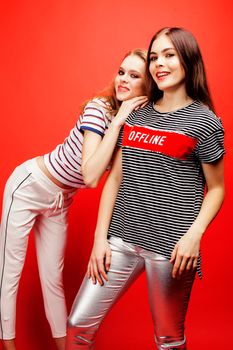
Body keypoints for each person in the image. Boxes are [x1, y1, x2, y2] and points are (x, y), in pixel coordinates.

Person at [66, 27, 225, 350]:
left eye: (169, 55)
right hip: (122, 239)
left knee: (168, 339)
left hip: (171, 248)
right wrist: (101, 239)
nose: (159, 64)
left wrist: (194, 236)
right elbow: (115, 178)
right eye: (154, 57)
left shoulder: (205, 122)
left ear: (188, 60)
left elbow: (218, 188)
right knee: (77, 326)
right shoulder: (139, 113)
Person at [0, 49, 148, 350]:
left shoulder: (133, 127)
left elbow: (121, 182)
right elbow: (91, 175)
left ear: (147, 88)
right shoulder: (100, 110)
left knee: (53, 280)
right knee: (8, 274)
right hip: (30, 185)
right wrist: (118, 121)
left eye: (134, 76)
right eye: (121, 72)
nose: (123, 80)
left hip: (61, 200)